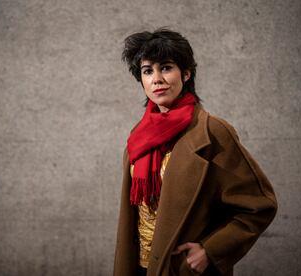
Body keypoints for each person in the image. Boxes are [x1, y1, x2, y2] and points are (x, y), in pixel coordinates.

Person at [113, 28, 277, 276]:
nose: (157, 78)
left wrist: (210, 250)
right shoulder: (139, 135)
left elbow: (260, 206)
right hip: (138, 266)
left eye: (166, 68)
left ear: (186, 73)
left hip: (181, 269)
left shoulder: (212, 132)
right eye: (148, 71)